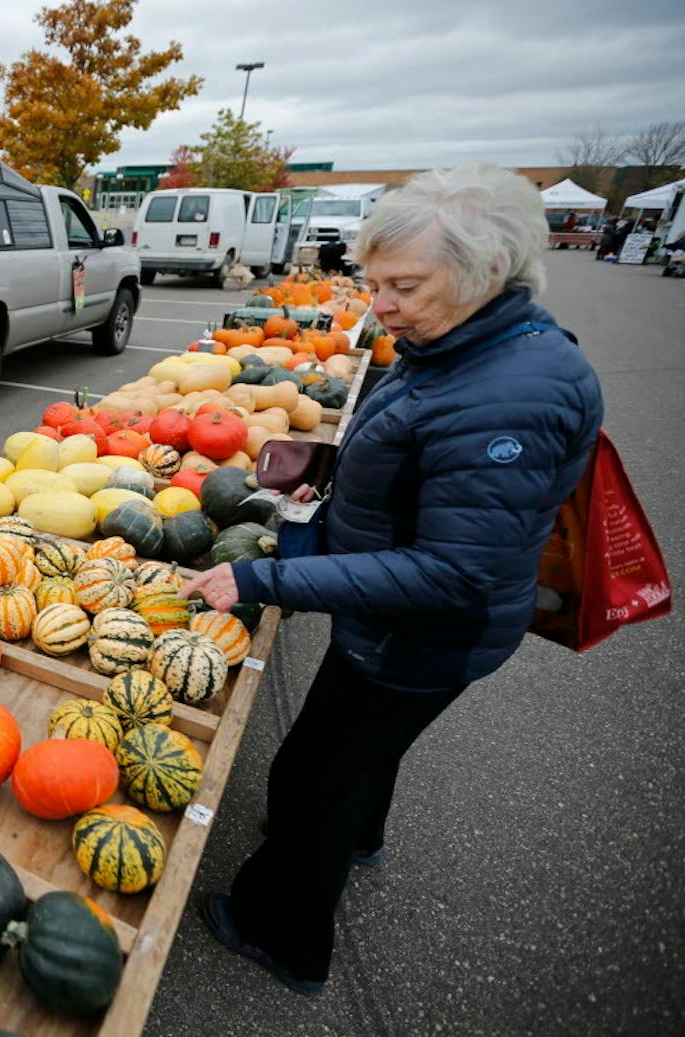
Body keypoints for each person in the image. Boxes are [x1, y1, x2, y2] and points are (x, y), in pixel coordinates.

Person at [180, 162, 604, 994]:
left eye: (403, 284)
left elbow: (451, 570)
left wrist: (268, 581)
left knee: (312, 775)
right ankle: (357, 832)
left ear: (485, 272)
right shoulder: (462, 341)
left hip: (420, 631)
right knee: (364, 751)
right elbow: (428, 466)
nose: (381, 304)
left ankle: (281, 932)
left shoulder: (510, 395)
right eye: (373, 283)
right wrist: (335, 475)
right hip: (410, 628)